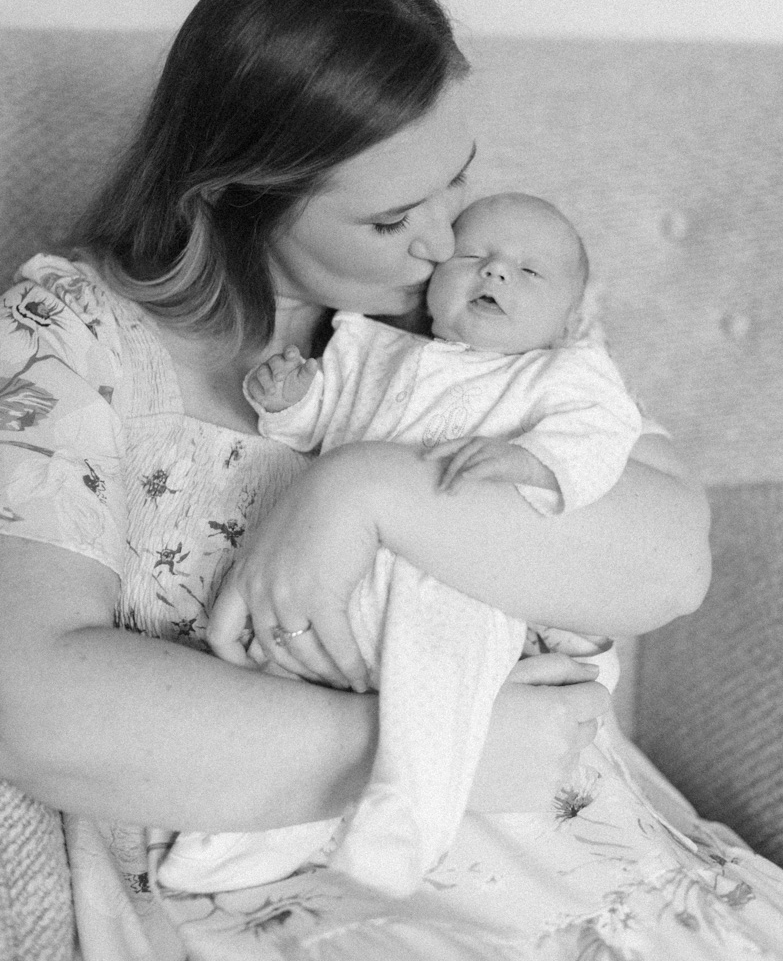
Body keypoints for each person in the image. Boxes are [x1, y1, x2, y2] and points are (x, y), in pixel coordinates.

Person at [0, 0, 783, 960]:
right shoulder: (70, 336)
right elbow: (33, 704)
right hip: (313, 887)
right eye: (387, 217)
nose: (437, 242)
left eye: (451, 183)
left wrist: (367, 489)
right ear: (238, 191)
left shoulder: (478, 298)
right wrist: (433, 750)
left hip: (591, 857)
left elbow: (665, 563)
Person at [160, 191, 642, 899]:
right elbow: (320, 425)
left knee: (436, 693)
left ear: (569, 318)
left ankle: (405, 822)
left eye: (529, 272)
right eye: (476, 258)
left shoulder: (562, 375)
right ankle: (239, 838)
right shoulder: (375, 351)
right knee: (290, 680)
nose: (496, 275)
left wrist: (536, 464)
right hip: (341, 576)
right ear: (434, 286)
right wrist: (290, 399)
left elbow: (605, 436)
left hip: (462, 581)